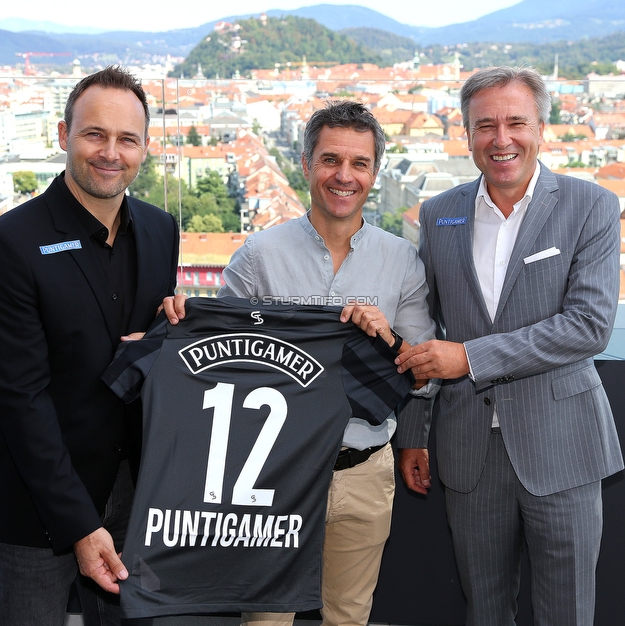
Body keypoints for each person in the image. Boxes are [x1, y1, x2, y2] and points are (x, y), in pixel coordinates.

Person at [164, 100, 435, 626]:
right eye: (331, 159)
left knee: (349, 617)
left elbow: (423, 376)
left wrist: (387, 339)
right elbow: (216, 365)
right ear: (307, 164)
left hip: (362, 472)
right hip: (269, 473)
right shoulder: (260, 255)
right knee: (265, 621)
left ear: (374, 174)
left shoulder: (402, 261)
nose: (344, 175)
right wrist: (178, 319)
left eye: (359, 163)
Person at [394, 66, 624, 625]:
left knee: (566, 613)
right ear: (467, 134)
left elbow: (590, 325)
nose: (501, 140)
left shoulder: (590, 206)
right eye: (485, 125)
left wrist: (471, 358)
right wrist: (415, 433)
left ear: (542, 127)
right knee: (485, 609)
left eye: (516, 122)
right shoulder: (438, 213)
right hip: (466, 446)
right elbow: (427, 330)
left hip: (562, 447)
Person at [0, 65, 179, 626]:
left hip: (133, 496)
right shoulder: (7, 245)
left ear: (144, 149)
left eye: (127, 139)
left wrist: (172, 333)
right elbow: (20, 401)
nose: (111, 152)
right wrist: (82, 526)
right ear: (64, 136)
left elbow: (151, 351)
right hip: (37, 506)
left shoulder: (162, 230)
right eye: (94, 134)